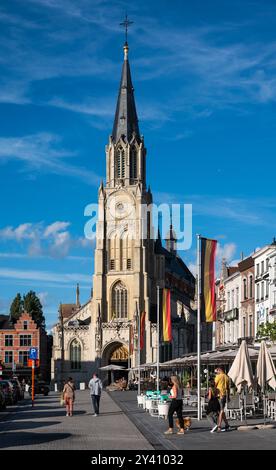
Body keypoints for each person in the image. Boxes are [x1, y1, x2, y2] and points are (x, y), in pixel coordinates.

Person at [214, 367, 230, 432]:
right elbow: (228, 388)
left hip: (218, 395)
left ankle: (219, 426)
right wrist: (228, 397)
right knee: (221, 410)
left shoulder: (218, 376)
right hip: (224, 395)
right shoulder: (226, 377)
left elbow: (214, 385)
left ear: (219, 370)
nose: (216, 373)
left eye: (216, 372)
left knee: (221, 410)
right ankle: (227, 424)